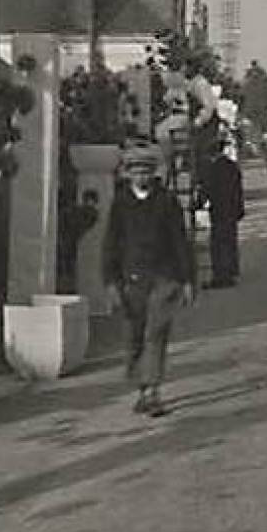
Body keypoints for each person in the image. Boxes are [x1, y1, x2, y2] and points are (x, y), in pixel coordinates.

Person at [103, 145, 196, 417]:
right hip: (132, 278)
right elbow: (111, 243)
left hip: (164, 277)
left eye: (146, 171)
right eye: (136, 171)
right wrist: (110, 281)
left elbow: (180, 241)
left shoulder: (166, 201)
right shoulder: (120, 203)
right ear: (128, 174)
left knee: (156, 333)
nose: (141, 176)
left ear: (153, 173)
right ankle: (141, 383)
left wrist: (188, 279)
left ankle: (151, 391)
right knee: (134, 336)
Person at [203, 138, 245, 288]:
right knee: (231, 240)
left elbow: (207, 190)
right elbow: (239, 189)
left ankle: (220, 275)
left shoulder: (212, 169)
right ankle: (232, 271)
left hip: (219, 210)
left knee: (218, 243)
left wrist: (198, 203)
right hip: (232, 208)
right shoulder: (232, 166)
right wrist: (240, 208)